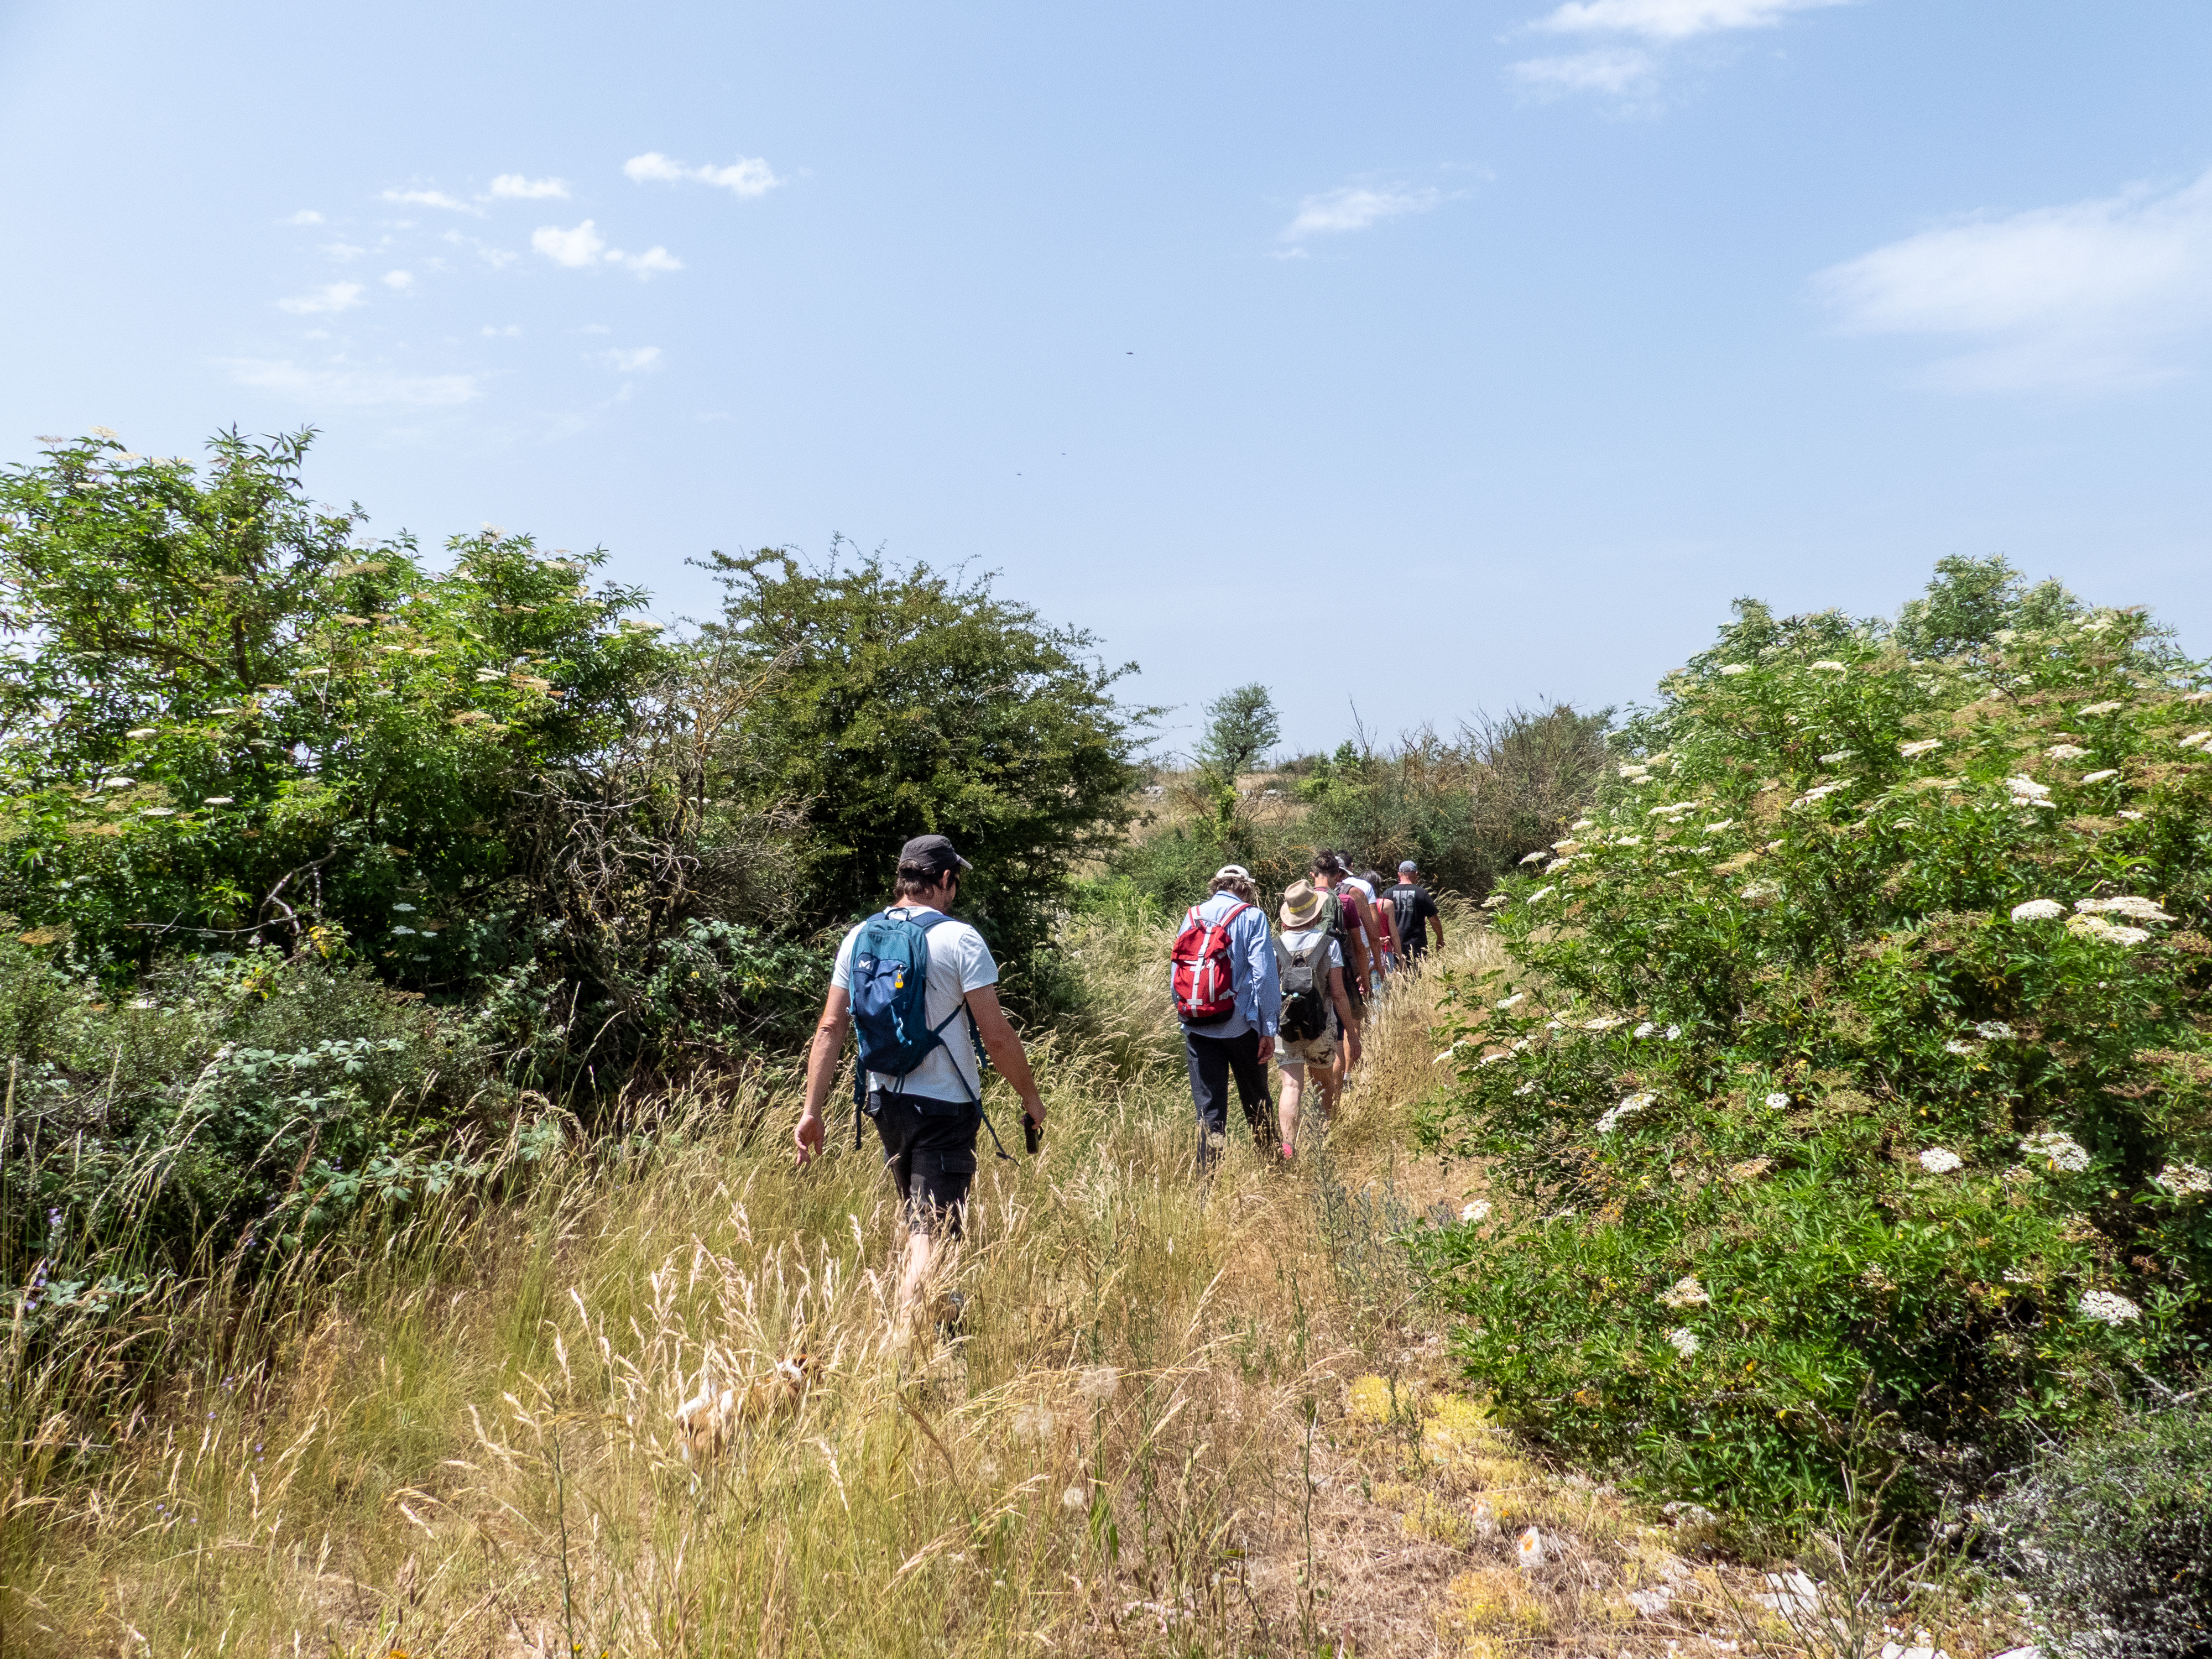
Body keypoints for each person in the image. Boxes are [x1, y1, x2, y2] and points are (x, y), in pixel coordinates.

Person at [796, 833, 1046, 1331]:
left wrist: (811, 1111)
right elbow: (996, 1036)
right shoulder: (959, 939)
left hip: (884, 1103)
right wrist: (1031, 1099)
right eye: (956, 882)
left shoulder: (860, 936)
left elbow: (829, 1027)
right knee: (930, 1237)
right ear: (945, 880)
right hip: (945, 1109)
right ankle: (903, 1355)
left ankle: (947, 1335)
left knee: (924, 1223)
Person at [1172, 864, 1280, 1171]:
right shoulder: (1252, 917)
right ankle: (1272, 1169)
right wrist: (1268, 1028)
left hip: (1198, 1028)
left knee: (1209, 1111)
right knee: (1257, 1101)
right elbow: (1265, 977)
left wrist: (1187, 1018)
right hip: (1242, 1027)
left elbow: (1176, 974)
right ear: (1245, 888)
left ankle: (1208, 1182)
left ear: (1216, 886)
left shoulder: (1192, 915)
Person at [1272, 879, 1360, 1160]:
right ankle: (1327, 1136)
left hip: (1285, 1026)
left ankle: (1288, 1148)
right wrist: (1352, 1033)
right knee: (1323, 1082)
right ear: (1316, 912)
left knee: (1291, 1086)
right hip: (1320, 1027)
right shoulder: (1328, 945)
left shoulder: (1275, 946)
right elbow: (1338, 994)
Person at [1385, 859, 1444, 966]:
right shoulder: (1421, 893)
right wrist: (1440, 938)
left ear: (1399, 875)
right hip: (1416, 947)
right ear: (1416, 874)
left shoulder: (1387, 893)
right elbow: (1434, 920)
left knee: (1395, 979)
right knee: (1416, 978)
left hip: (1392, 946)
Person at [1360, 867, 1399, 983]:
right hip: (1385, 952)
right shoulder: (1386, 905)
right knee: (1386, 992)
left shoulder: (1358, 905)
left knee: (1369, 992)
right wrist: (1400, 958)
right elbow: (1394, 934)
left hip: (1365, 952)